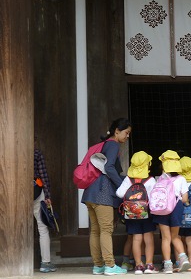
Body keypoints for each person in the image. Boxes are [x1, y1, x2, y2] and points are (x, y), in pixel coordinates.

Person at [81, 118, 132, 275]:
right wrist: (123, 186)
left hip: (90, 192)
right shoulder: (112, 145)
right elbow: (109, 167)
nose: (127, 136)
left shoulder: (104, 145)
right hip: (103, 194)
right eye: (126, 133)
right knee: (106, 230)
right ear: (117, 131)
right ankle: (110, 266)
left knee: (95, 230)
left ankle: (98, 266)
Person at [116, 151, 158, 274]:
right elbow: (154, 197)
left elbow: (119, 193)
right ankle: (149, 265)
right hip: (147, 214)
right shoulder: (150, 180)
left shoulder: (128, 179)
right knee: (148, 238)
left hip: (131, 214)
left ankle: (138, 265)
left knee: (136, 238)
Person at [151, 150, 190, 274]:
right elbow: (184, 199)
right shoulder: (182, 179)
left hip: (162, 208)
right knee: (175, 237)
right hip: (176, 207)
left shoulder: (161, 178)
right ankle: (183, 258)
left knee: (165, 238)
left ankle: (167, 265)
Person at [33, 141, 57, 273]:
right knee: (42, 228)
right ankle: (45, 263)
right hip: (36, 192)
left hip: (15, 194)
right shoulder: (36, 153)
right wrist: (47, 195)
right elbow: (43, 175)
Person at [177, 156, 191, 272]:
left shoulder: (178, 181)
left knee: (178, 239)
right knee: (190, 240)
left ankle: (179, 262)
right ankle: (190, 263)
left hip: (179, 217)